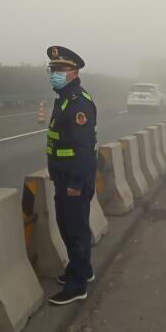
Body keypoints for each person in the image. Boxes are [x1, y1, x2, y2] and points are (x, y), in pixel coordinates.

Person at [45, 45, 97, 305]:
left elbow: (83, 148)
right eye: (52, 69)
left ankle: (77, 286)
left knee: (76, 230)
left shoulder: (79, 103)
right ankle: (82, 270)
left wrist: (76, 182)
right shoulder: (64, 99)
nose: (55, 73)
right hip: (63, 178)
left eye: (60, 69)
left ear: (74, 72)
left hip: (74, 180)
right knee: (67, 226)